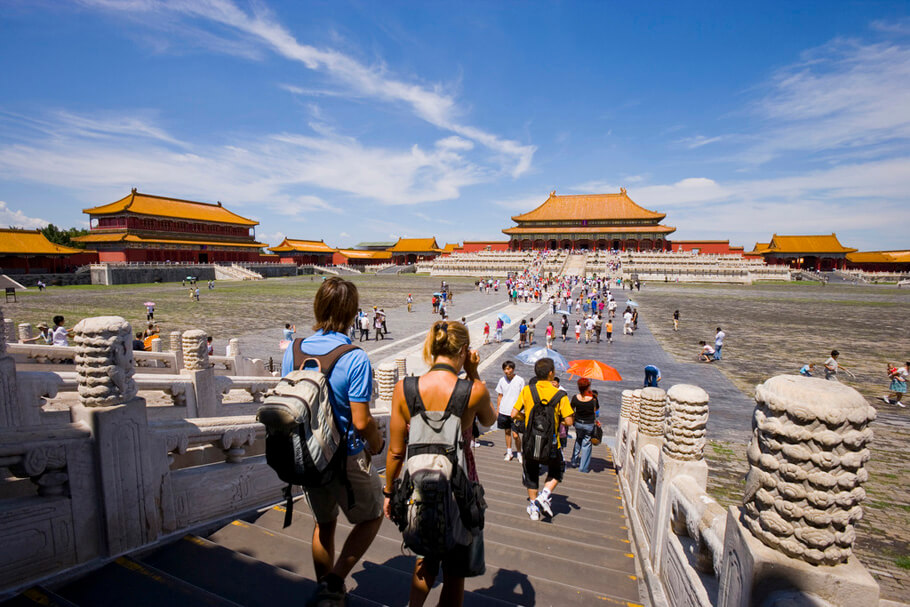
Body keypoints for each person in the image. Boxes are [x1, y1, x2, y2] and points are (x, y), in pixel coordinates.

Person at [281, 277, 384, 607]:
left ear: (318, 306)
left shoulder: (294, 350)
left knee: (324, 524)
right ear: (353, 313)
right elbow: (361, 420)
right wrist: (378, 442)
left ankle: (325, 589)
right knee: (372, 516)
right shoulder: (354, 357)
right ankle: (336, 580)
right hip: (345, 456)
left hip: (307, 453)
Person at [384, 321, 496, 607]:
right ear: (464, 351)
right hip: (461, 486)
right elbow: (490, 420)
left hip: (418, 485)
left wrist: (388, 493)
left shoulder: (404, 388)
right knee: (455, 569)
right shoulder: (474, 391)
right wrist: (473, 373)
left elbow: (396, 452)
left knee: (425, 559)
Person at [512, 358, 574, 521]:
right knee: (557, 470)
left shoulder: (527, 390)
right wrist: (557, 418)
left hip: (530, 440)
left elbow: (513, 414)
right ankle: (545, 494)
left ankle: (533, 507)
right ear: (551, 373)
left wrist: (525, 418)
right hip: (552, 442)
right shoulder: (560, 394)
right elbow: (569, 421)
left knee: (531, 473)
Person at [496, 360, 526, 463]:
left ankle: (519, 453)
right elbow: (500, 396)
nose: (506, 371)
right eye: (505, 369)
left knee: (516, 434)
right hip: (504, 411)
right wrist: (498, 409)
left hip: (515, 412)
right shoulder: (501, 380)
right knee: (507, 432)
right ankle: (509, 452)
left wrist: (522, 410)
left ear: (513, 369)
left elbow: (523, 396)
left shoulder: (520, 380)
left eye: (508, 369)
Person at [570, 378, 599, 473]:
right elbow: (596, 410)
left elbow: (571, 409)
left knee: (578, 439)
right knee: (586, 444)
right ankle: (583, 468)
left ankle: (574, 461)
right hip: (588, 424)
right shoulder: (593, 399)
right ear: (588, 387)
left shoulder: (575, 397)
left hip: (578, 423)